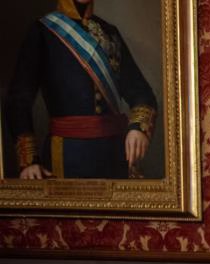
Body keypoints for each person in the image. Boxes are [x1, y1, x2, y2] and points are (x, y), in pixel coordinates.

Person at [4, 0, 157, 180]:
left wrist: (138, 128)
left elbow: (142, 94)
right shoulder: (43, 31)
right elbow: (18, 102)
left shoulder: (110, 33)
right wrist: (29, 162)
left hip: (114, 155)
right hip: (66, 156)